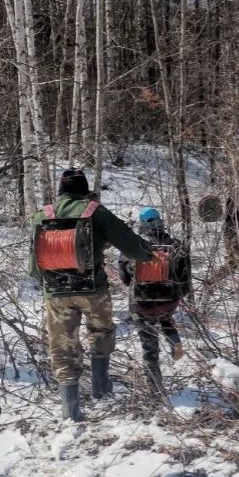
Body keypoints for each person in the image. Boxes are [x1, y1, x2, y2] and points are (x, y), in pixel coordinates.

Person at [28, 169, 153, 421]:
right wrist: (149, 254)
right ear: (85, 190)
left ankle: (70, 411)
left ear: (60, 191)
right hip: (93, 289)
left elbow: (33, 267)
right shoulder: (95, 212)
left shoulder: (42, 215)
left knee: (62, 347)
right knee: (101, 332)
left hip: (57, 293)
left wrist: (51, 285)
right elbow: (131, 246)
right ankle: (101, 389)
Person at [118, 207, 191, 395]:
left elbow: (125, 277)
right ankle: (174, 340)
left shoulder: (133, 245)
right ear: (161, 222)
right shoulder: (176, 246)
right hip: (168, 302)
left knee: (149, 348)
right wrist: (175, 296)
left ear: (142, 224)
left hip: (141, 304)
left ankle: (155, 389)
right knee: (165, 317)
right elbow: (186, 281)